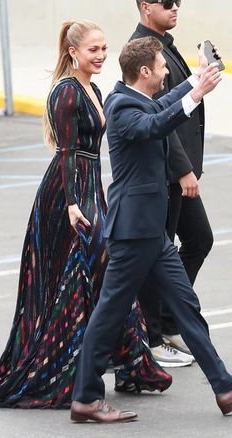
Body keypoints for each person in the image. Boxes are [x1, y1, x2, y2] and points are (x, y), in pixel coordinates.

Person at [0, 21, 172, 409]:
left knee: (109, 272)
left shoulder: (93, 88)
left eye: (104, 48)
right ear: (73, 52)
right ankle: (71, 369)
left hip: (91, 186)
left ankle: (131, 366)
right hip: (68, 193)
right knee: (93, 272)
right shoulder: (66, 92)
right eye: (93, 49)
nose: (102, 56)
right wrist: (74, 203)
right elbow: (66, 152)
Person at [70, 36, 232, 423]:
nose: (164, 72)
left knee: (186, 308)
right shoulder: (122, 105)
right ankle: (86, 399)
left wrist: (197, 77)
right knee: (109, 313)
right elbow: (156, 123)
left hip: (151, 233)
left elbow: (159, 105)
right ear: (144, 72)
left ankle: (224, 389)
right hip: (132, 232)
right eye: (161, 67)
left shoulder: (135, 97)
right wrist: (196, 95)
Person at [128, 0, 214, 367]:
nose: (175, 6)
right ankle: (152, 335)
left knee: (198, 239)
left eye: (178, 0)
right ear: (146, 7)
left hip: (179, 168)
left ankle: (164, 322)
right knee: (157, 253)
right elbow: (159, 116)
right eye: (166, 2)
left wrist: (199, 75)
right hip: (166, 172)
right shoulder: (144, 49)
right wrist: (181, 169)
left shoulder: (164, 42)